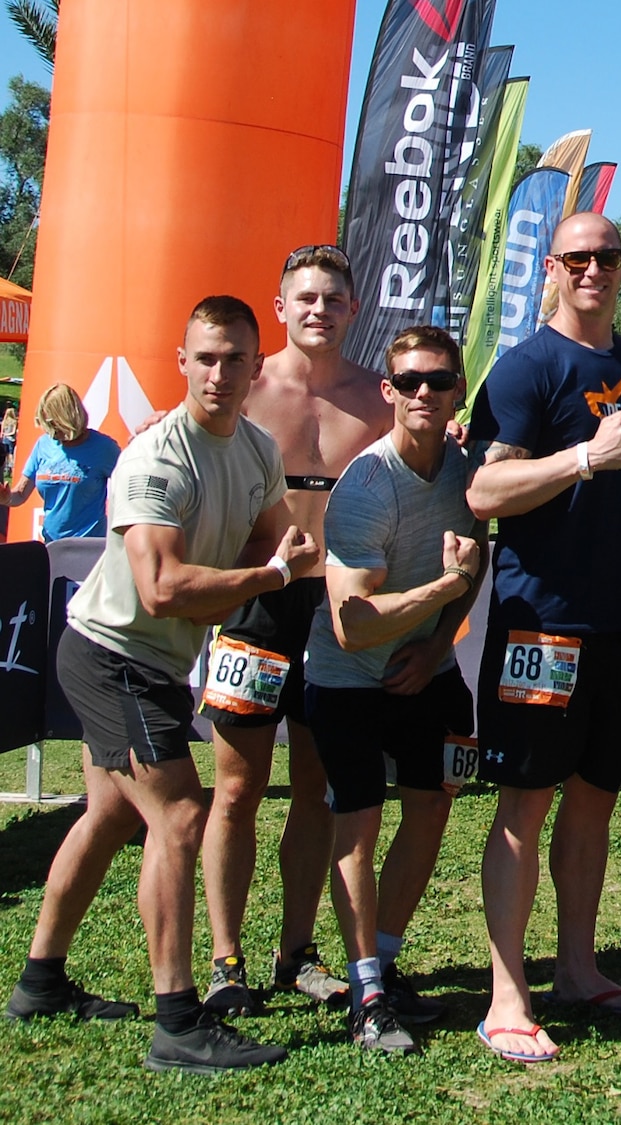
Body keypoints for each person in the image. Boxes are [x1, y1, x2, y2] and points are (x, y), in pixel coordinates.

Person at [5, 296, 309, 1074]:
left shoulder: (255, 448)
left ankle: (39, 981)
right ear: (182, 361)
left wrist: (296, 549)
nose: (219, 373)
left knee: (107, 816)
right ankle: (178, 1019)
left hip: (157, 664)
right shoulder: (153, 457)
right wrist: (270, 572)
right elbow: (163, 588)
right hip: (113, 656)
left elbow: (279, 531)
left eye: (235, 358)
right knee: (178, 814)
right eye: (205, 357)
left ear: (254, 365)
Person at [467, 211, 621, 1063]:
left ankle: (578, 970)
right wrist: (582, 459)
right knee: (525, 805)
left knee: (594, 800)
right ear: (553, 267)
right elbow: (483, 490)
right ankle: (505, 994)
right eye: (578, 257)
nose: (593, 269)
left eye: (607, 257)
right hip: (542, 624)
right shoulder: (526, 368)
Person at [197, 245, 393, 1016]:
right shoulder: (244, 387)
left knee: (317, 787)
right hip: (257, 606)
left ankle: (296, 951)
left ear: (351, 311)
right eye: (304, 298)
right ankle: (224, 958)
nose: (319, 309)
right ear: (280, 308)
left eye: (333, 299)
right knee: (237, 788)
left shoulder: (376, 398)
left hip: (336, 612)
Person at [306, 326, 484, 1054]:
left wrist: (437, 645)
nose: (423, 393)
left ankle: (383, 957)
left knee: (434, 805)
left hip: (429, 673)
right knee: (358, 823)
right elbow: (351, 624)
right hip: (347, 680)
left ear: (456, 392)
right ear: (388, 390)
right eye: (408, 380)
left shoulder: (467, 471)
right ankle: (365, 991)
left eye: (438, 381)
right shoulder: (365, 485)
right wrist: (443, 587)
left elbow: (478, 569)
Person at [3, 383, 121, 540]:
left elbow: (130, 488)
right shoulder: (43, 444)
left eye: (53, 424)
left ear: (69, 417)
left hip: (90, 545)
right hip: (51, 543)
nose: (50, 431)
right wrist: (5, 498)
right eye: (46, 425)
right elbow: (20, 495)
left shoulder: (104, 448)